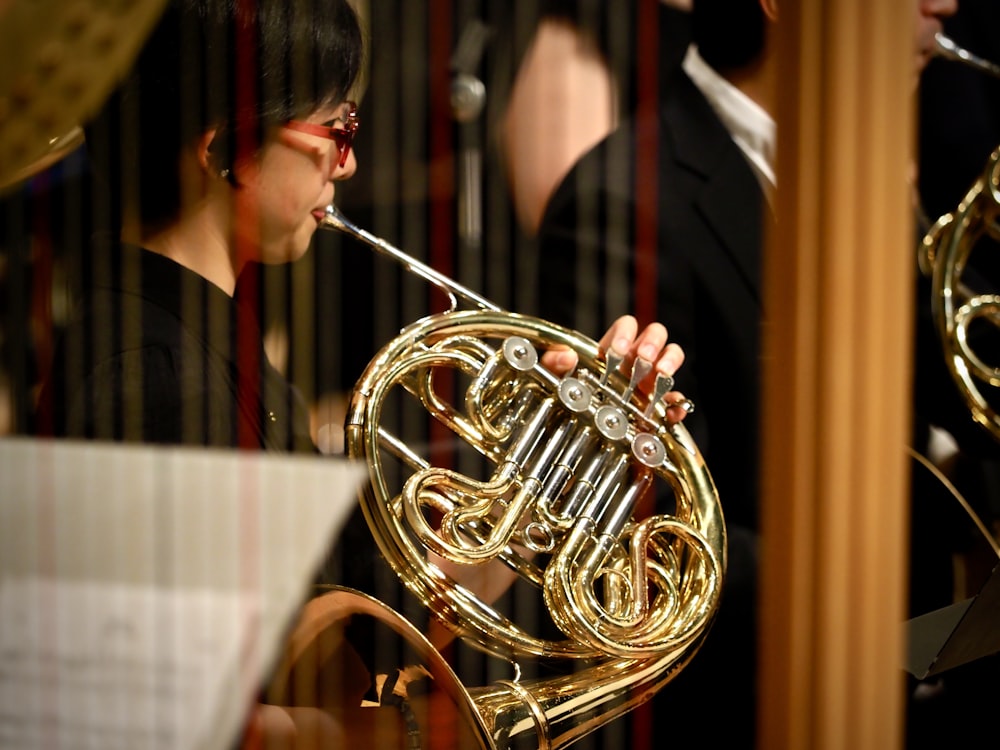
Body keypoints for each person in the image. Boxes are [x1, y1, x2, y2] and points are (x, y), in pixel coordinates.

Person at [24, 0, 695, 746]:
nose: (350, 162)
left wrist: (570, 469)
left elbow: (388, 621)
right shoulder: (152, 377)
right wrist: (379, 733)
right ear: (221, 153)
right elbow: (166, 719)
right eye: (337, 130)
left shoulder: (207, 342)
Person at [533, 0, 1000, 747]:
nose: (941, 4)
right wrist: (889, 605)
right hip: (752, 709)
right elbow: (658, 528)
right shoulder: (620, 200)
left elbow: (964, 387)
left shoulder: (859, 169)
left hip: (927, 682)